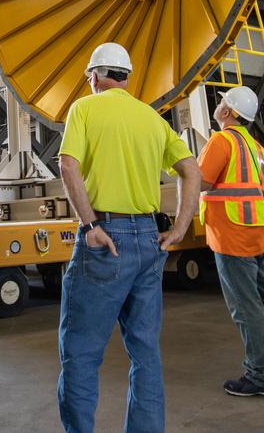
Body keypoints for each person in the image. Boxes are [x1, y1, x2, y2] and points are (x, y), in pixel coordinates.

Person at [56, 42, 201, 433]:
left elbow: (68, 165)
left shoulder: (84, 108)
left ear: (94, 77)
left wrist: (90, 226)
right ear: (126, 77)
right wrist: (180, 228)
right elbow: (191, 170)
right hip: (149, 240)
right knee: (146, 354)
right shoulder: (152, 118)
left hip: (107, 238)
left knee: (81, 353)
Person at [200, 86, 264, 397]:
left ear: (228, 112)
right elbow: (263, 191)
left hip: (232, 232)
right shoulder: (255, 147)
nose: (218, 106)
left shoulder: (221, 140)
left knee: (245, 306)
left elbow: (200, 180)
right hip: (256, 228)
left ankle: (261, 376)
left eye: (222, 102)